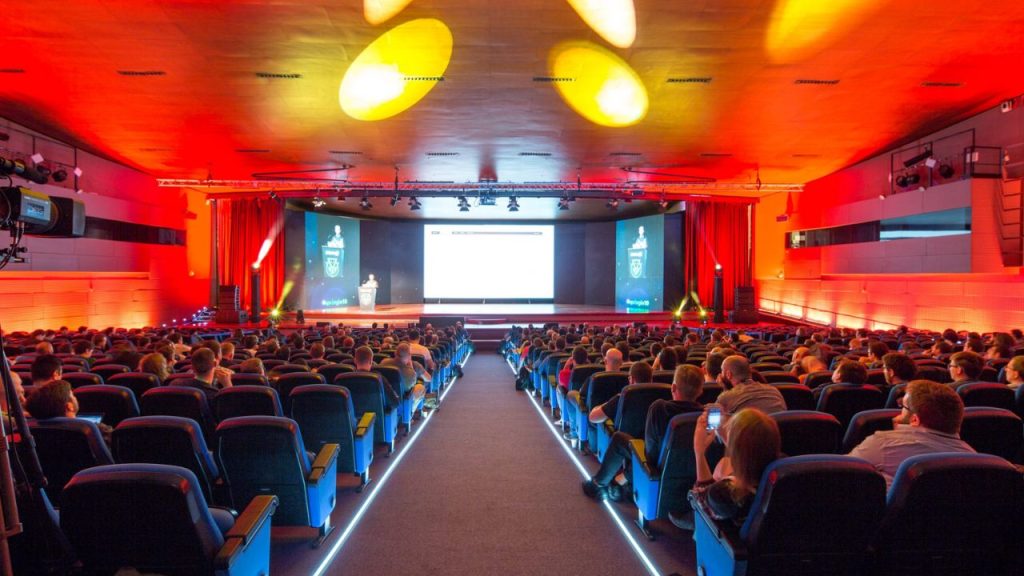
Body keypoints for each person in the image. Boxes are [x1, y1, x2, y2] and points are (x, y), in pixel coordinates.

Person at [582, 364, 705, 501]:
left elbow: (650, 453)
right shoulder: (704, 415)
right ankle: (616, 482)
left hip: (656, 467)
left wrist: (625, 476)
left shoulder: (660, 407)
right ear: (701, 391)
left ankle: (598, 484)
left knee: (619, 438)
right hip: (689, 468)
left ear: (673, 387)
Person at [848, 379, 974, 488]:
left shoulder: (883, 443)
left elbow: (844, 472)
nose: (898, 412)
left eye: (903, 406)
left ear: (915, 420)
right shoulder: (973, 458)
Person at [687, 408, 781, 527]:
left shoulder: (725, 494)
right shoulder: (782, 471)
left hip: (724, 535)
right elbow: (752, 455)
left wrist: (699, 452)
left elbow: (701, 502)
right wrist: (731, 441)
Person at [25, 380, 112, 446]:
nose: (75, 398)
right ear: (69, 406)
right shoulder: (96, 430)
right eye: (73, 395)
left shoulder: (29, 433)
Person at [715, 356, 787, 415]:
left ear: (728, 374)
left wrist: (723, 390)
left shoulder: (726, 398)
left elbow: (715, 424)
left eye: (722, 371)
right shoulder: (774, 390)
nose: (720, 374)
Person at [380, 343, 431, 409]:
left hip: (385, 399)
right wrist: (411, 367)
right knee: (420, 387)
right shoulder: (410, 372)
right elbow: (413, 386)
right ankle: (411, 410)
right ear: (409, 356)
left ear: (395, 353)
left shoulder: (384, 362)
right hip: (401, 401)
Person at [354, 346, 400, 410]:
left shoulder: (344, 378)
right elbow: (395, 403)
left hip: (353, 416)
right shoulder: (378, 378)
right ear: (371, 361)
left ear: (355, 361)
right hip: (376, 416)